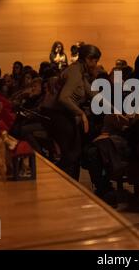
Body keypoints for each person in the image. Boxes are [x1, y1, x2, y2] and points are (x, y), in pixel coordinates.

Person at [43, 44, 101, 180]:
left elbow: (95, 95)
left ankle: (70, 186)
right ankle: (64, 185)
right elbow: (64, 98)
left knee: (73, 154)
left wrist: (116, 110)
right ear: (88, 59)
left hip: (61, 115)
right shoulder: (75, 72)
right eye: (95, 61)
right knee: (71, 155)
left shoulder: (78, 72)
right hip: (58, 115)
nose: (96, 65)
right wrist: (81, 113)